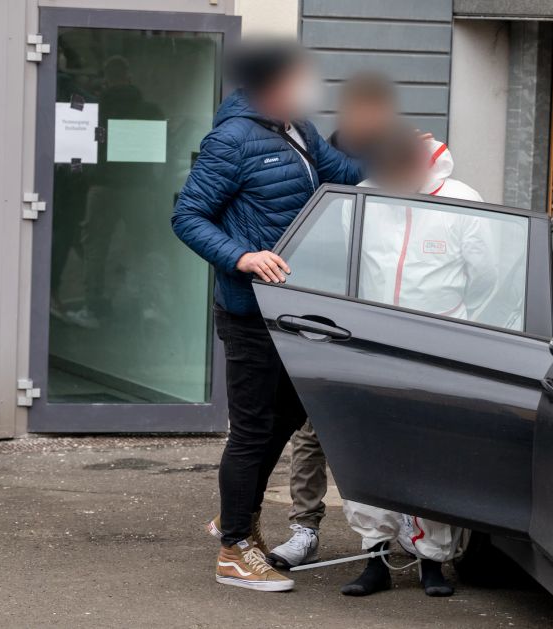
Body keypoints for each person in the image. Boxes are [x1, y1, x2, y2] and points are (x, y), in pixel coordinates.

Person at [171, 38, 363, 593]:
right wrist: (241, 255)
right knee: (254, 427)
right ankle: (233, 548)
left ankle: (239, 510)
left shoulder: (297, 128)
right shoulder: (231, 139)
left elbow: (341, 175)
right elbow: (187, 215)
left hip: (293, 309)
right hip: (250, 309)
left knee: (286, 416)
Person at [339, 126, 498, 598]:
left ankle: (432, 561)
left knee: (434, 455)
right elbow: (351, 267)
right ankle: (375, 557)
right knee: (369, 449)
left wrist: (462, 335)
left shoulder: (463, 200)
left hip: (438, 347)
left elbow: (487, 277)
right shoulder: (365, 198)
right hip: (373, 345)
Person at [268, 71, 399, 570]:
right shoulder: (320, 155)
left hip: (386, 315)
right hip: (326, 307)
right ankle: (305, 528)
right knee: (313, 425)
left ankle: (403, 536)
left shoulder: (404, 158)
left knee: (386, 424)